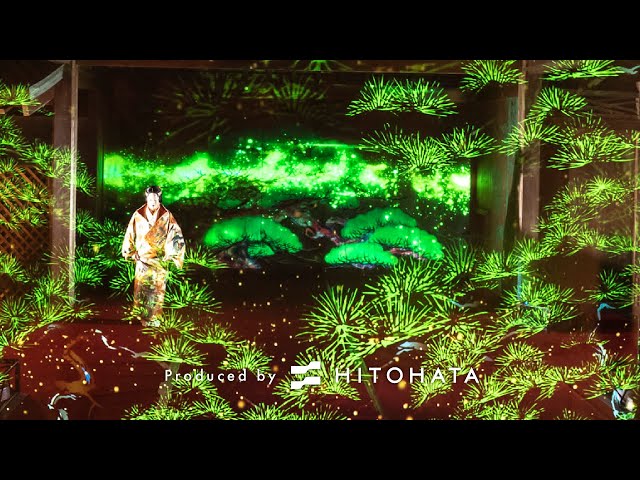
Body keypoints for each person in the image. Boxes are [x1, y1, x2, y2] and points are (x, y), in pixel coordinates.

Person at [121, 186, 185, 327]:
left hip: (159, 259)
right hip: (142, 258)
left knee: (157, 290)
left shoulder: (166, 216)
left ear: (159, 199)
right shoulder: (138, 215)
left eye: (155, 199)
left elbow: (175, 233)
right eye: (150, 199)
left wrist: (170, 253)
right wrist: (131, 251)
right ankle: (141, 317)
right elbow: (130, 233)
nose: (153, 201)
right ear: (147, 199)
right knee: (142, 289)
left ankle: (155, 318)